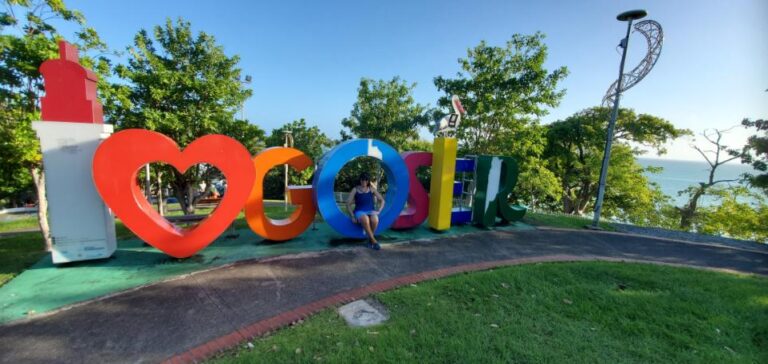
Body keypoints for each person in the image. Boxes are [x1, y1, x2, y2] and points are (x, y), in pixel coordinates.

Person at [346, 172, 385, 250]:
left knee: (375, 219)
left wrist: (379, 211)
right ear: (360, 180)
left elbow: (382, 200)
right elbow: (347, 204)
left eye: (366, 180)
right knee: (365, 219)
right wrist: (352, 216)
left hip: (371, 210)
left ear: (368, 181)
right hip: (359, 211)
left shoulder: (371, 189)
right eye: (362, 180)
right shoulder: (355, 189)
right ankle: (374, 241)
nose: (364, 182)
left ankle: (370, 240)